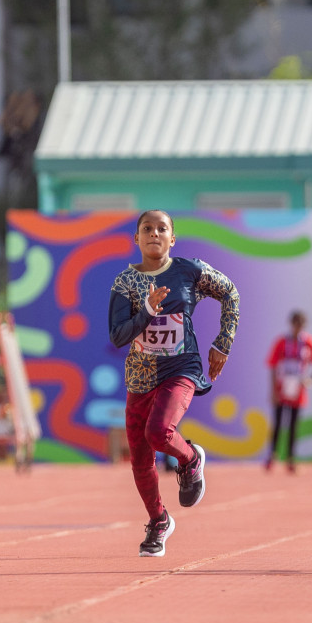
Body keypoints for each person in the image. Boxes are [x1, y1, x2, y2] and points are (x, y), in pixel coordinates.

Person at [108, 210, 239, 557]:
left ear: (172, 238)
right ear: (136, 239)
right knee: (139, 458)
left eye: (161, 229)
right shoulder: (125, 283)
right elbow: (118, 335)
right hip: (140, 377)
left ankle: (191, 459)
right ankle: (159, 521)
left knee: (159, 430)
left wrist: (223, 342)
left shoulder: (189, 271)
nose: (154, 233)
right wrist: (147, 313)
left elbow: (230, 294)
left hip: (181, 367)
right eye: (146, 229)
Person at [265, 310, 312, 474]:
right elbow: (272, 365)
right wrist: (273, 391)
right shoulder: (282, 342)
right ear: (291, 324)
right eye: (295, 324)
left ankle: (291, 458)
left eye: (301, 325)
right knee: (277, 424)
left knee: (293, 425)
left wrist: (311, 380)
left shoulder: (309, 343)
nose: (298, 328)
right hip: (281, 388)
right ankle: (272, 456)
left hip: (298, 390)